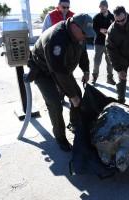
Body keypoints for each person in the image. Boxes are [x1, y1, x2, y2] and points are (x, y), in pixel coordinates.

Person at [27, 13, 95, 152]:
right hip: (43, 71)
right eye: (83, 33)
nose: (85, 36)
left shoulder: (79, 35)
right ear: (74, 25)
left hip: (62, 69)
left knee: (78, 94)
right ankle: (60, 138)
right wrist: (71, 96)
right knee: (55, 103)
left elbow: (82, 53)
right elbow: (57, 71)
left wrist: (86, 70)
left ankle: (74, 124)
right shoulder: (56, 38)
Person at [105, 6, 129, 109]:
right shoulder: (111, 31)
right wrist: (118, 68)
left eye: (123, 20)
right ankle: (121, 102)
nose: (121, 22)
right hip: (121, 58)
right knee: (122, 80)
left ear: (126, 14)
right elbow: (111, 51)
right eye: (118, 21)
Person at [91, 0, 116, 85]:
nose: (101, 8)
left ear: (107, 7)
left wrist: (108, 32)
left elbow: (116, 27)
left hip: (109, 43)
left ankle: (110, 78)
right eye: (100, 6)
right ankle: (94, 77)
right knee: (96, 61)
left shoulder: (112, 16)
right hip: (99, 42)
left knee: (110, 62)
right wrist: (100, 30)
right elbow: (93, 28)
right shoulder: (96, 17)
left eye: (103, 6)